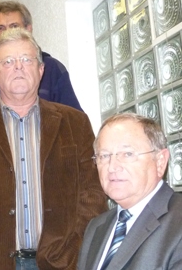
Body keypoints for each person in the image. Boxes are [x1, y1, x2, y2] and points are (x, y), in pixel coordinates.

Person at [0, 28, 107, 270]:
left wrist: (72, 253)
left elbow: (93, 194)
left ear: (41, 70)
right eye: (8, 61)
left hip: (62, 263)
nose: (18, 67)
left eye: (26, 60)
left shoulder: (75, 123)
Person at [78, 113, 182, 270]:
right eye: (104, 156)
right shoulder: (96, 227)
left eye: (127, 154)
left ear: (160, 161)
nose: (112, 167)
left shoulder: (177, 222)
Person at [0, 1, 83, 111]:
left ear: (28, 29)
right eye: (0, 28)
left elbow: (73, 120)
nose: (8, 33)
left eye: (14, 26)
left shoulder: (52, 68)